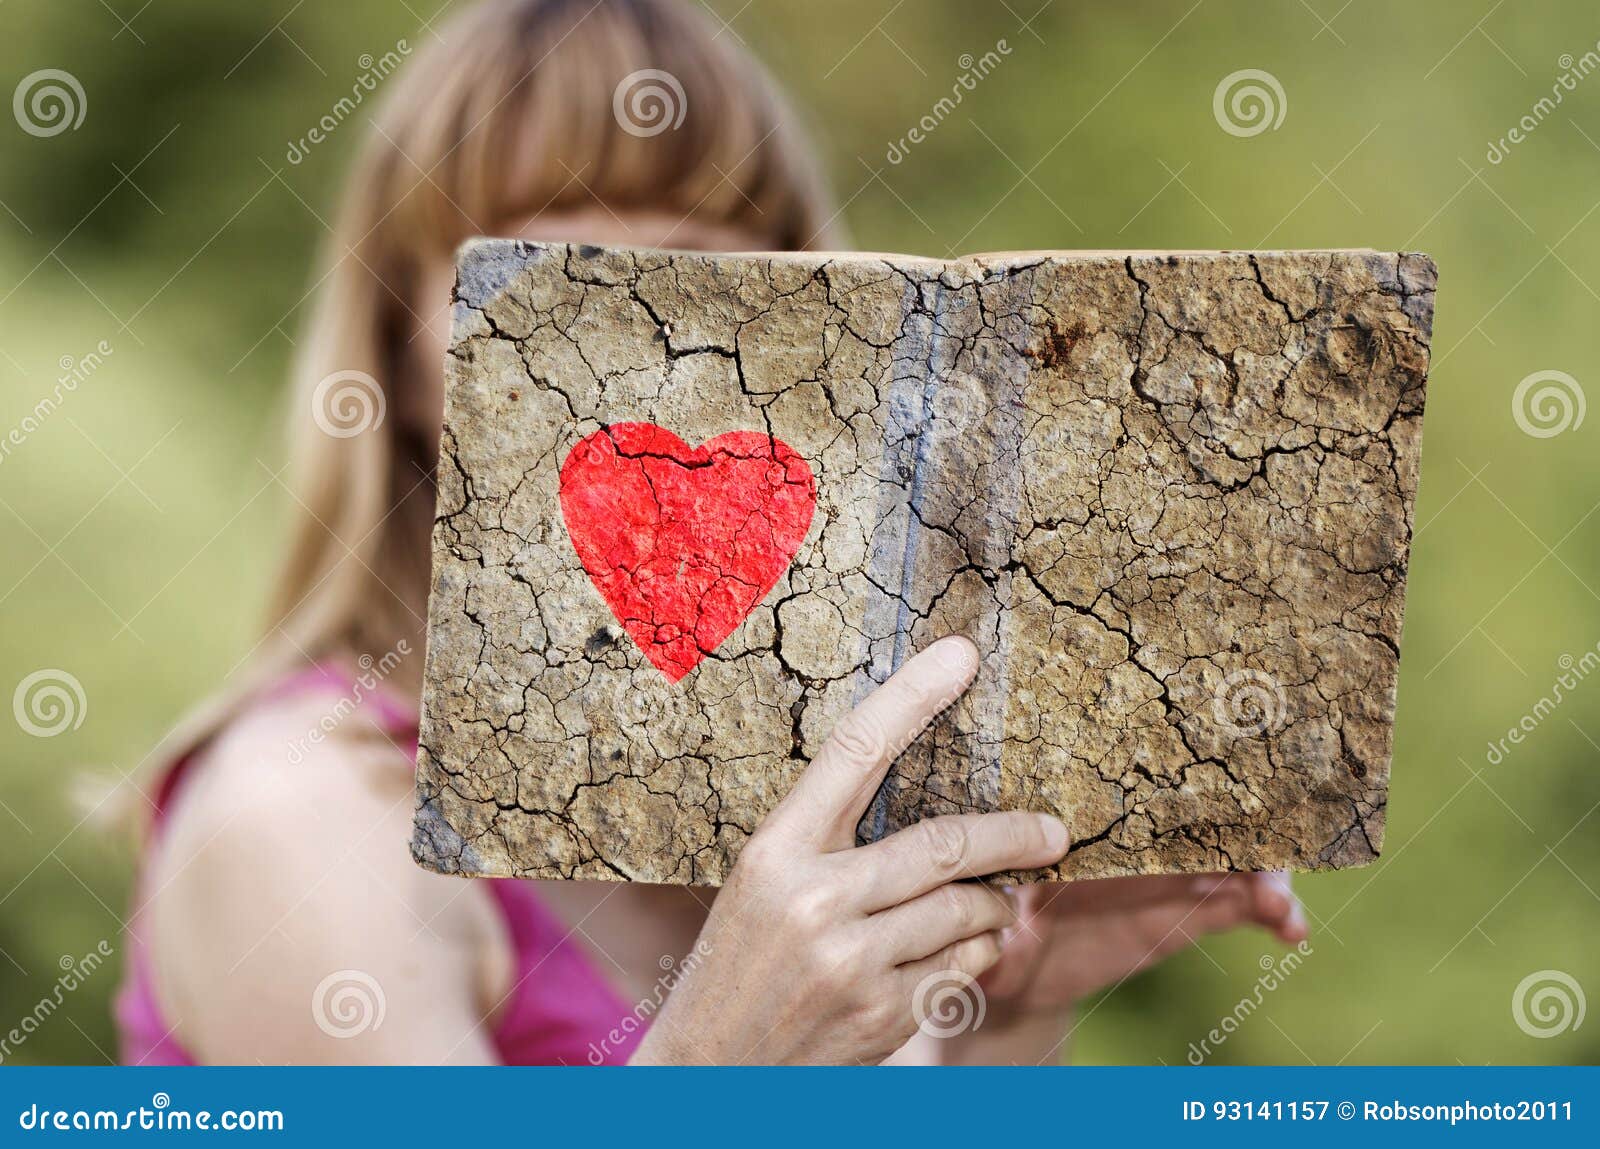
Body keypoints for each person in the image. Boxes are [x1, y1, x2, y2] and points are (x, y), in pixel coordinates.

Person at [117, 0, 1305, 1066]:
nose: (625, 324)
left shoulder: (812, 794)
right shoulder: (297, 820)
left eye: (687, 267)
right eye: (548, 266)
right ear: (404, 359)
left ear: (809, 329)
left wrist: (996, 1012)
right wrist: (717, 1061)